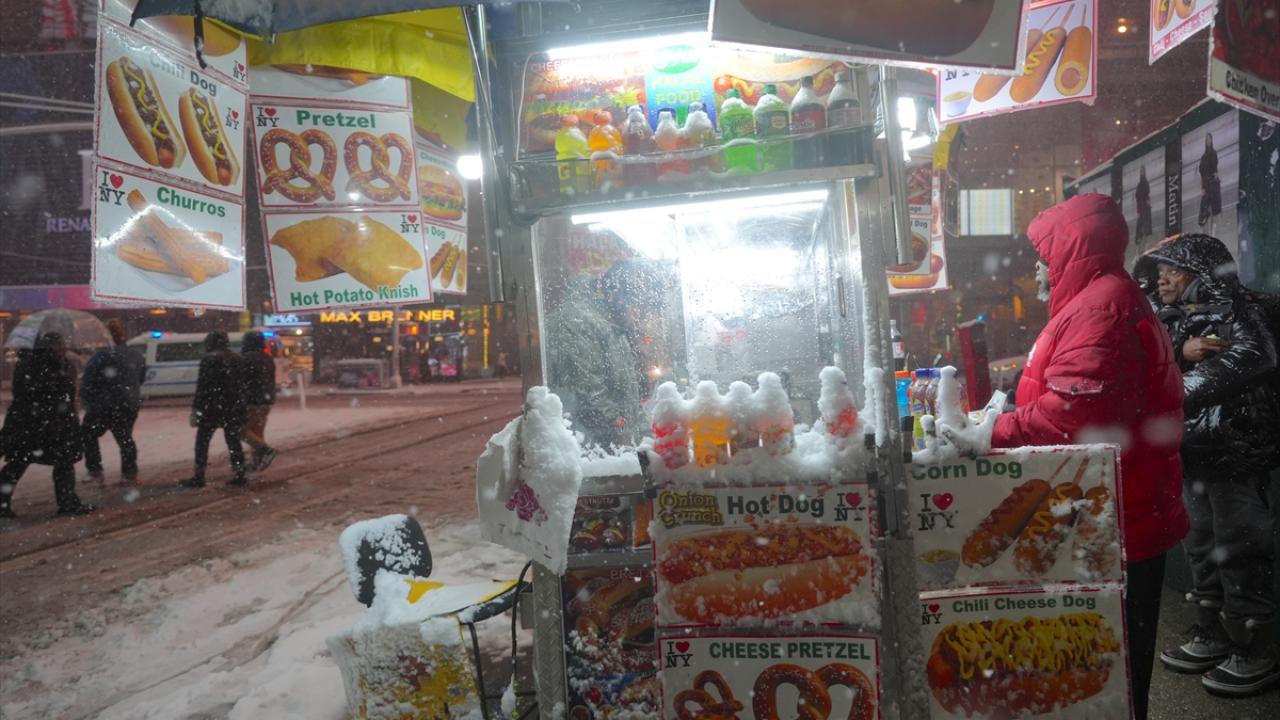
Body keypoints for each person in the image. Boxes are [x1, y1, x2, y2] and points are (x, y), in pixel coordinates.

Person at [939, 193, 1188, 720]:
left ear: (1072, 252)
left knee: (1112, 672)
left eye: (1043, 257)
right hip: (1117, 507)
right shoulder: (1098, 300)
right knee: (1107, 665)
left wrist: (993, 432)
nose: (1037, 270)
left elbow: (1074, 413)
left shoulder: (1102, 306)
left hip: (1120, 516)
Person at [1147, 234, 1279, 696]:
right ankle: (1212, 633)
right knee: (1202, 545)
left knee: (1240, 548)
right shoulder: (1173, 316)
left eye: (1172, 270)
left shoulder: (1244, 309)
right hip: (1194, 450)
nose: (1162, 280)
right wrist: (1179, 352)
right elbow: (1149, 355)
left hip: (1237, 452)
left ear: (1201, 272)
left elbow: (1256, 355)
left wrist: (1176, 389)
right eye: (1160, 271)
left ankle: (1255, 649)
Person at [0, 333, 94, 517]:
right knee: (62, 462)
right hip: (49, 422)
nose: (63, 349)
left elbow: (22, 392)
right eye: (60, 346)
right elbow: (58, 392)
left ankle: (2, 502)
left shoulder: (28, 364)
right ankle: (67, 502)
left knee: (19, 462)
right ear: (52, 347)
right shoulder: (51, 366)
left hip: (28, 422)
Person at [80, 319, 146, 483]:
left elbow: (88, 381)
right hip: (129, 404)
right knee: (125, 438)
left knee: (88, 434)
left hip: (104, 405)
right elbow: (140, 378)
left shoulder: (100, 356)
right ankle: (129, 473)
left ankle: (95, 471)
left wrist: (88, 400)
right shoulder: (135, 355)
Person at [180, 331, 247, 488]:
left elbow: (203, 387)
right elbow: (242, 384)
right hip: (233, 406)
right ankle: (239, 473)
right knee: (233, 441)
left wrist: (197, 408)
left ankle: (199, 475)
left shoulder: (209, 359)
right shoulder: (237, 358)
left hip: (212, 407)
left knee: (202, 442)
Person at [240, 331, 279, 473]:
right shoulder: (267, 358)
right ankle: (257, 461)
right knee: (257, 431)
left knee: (240, 430)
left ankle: (265, 450)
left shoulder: (246, 358)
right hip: (266, 400)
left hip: (251, 400)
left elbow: (242, 380)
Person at [1199, 132, 1221, 232]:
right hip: (1206, 184)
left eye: (1209, 139)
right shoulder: (1203, 157)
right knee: (1204, 208)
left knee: (1214, 208)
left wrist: (1216, 175)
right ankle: (1205, 228)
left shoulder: (1214, 153)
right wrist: (1202, 187)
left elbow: (1215, 168)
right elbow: (1202, 174)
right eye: (1207, 139)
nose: (1208, 141)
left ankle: (1213, 229)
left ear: (1211, 140)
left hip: (1213, 182)